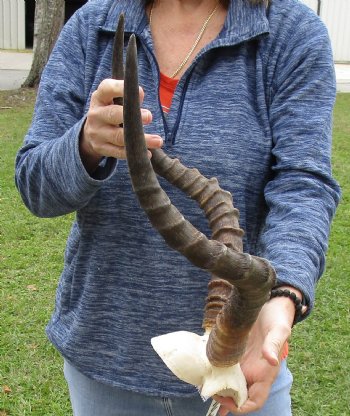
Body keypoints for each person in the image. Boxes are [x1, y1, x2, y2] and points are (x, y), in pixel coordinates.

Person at [15, 0, 340, 415]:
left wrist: (282, 298)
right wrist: (83, 146)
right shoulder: (93, 26)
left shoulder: (289, 32)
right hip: (105, 361)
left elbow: (303, 183)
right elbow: (35, 186)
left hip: (239, 361)